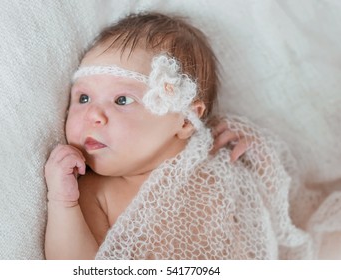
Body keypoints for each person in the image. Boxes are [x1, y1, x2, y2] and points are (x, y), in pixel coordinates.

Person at [44, 12, 312, 260]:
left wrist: (259, 155)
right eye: (83, 97)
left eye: (122, 99)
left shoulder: (216, 160)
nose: (93, 114)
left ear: (184, 120)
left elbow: (281, 216)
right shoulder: (95, 192)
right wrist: (62, 202)